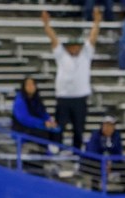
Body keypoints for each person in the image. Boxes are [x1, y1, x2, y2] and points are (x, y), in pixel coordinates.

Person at [41, 7, 100, 151]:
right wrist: (46, 25)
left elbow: (92, 38)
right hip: (64, 97)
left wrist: (97, 22)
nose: (74, 49)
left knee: (79, 127)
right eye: (71, 46)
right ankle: (56, 148)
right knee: (59, 125)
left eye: (76, 46)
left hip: (80, 97)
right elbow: (53, 39)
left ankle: (76, 150)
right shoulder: (62, 54)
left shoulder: (86, 54)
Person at [11, 76, 61, 149]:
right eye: (28, 85)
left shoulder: (37, 99)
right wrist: (42, 123)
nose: (31, 87)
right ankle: (45, 153)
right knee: (42, 133)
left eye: (32, 84)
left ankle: (56, 151)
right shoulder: (20, 99)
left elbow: (43, 113)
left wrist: (50, 122)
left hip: (36, 126)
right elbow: (24, 119)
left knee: (56, 129)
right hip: (22, 128)